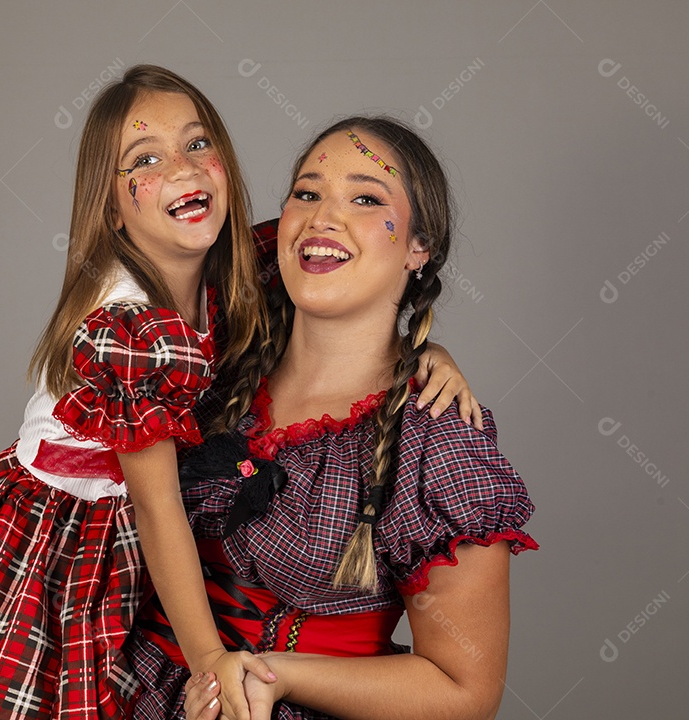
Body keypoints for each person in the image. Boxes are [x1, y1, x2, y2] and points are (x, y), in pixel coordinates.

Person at [0, 64, 478, 720]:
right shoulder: (131, 326)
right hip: (64, 538)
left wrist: (427, 353)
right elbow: (159, 505)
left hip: (141, 539)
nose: (182, 169)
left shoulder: (242, 269)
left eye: (198, 145)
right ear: (110, 207)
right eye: (146, 159)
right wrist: (211, 662)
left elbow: (357, 274)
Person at [126, 116, 537, 720]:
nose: (323, 218)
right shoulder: (207, 363)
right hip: (121, 691)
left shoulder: (437, 443)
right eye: (307, 193)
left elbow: (465, 693)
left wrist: (276, 676)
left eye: (366, 199)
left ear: (418, 246)